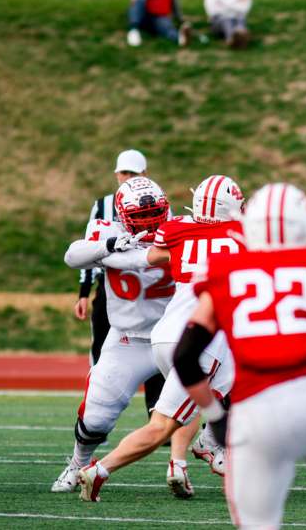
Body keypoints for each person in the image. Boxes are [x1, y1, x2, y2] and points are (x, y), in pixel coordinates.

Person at [153, 182, 306, 529]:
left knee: (258, 522)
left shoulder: (225, 272)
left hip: (256, 409)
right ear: (305, 224)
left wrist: (214, 414)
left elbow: (185, 355)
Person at [75, 175, 245, 501]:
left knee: (235, 382)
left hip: (167, 334)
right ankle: (99, 470)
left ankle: (209, 443)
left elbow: (150, 257)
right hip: (198, 342)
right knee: (161, 427)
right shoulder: (244, 236)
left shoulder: (177, 228)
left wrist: (108, 252)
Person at [52, 177, 174, 494]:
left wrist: (124, 256)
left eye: (154, 213)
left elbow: (149, 258)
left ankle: (215, 447)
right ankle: (78, 464)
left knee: (228, 390)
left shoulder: (181, 230)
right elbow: (72, 256)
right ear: (121, 215)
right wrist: (107, 246)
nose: (149, 222)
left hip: (177, 335)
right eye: (140, 216)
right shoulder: (109, 233)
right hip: (128, 340)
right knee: (96, 418)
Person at [74, 149, 167, 419]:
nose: (127, 178)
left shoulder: (160, 204)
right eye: (124, 173)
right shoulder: (103, 206)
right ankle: (96, 402)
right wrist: (84, 291)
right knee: (103, 347)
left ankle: (158, 412)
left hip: (153, 291)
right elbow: (85, 251)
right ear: (117, 174)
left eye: (133, 174)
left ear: (144, 175)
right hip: (112, 287)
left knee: (158, 352)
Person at [127, 0, 191, 48]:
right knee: (138, 0)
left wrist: (181, 20)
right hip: (144, 16)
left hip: (160, 17)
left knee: (166, 27)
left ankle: (180, 38)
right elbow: (136, 3)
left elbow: (175, 6)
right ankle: (134, 30)